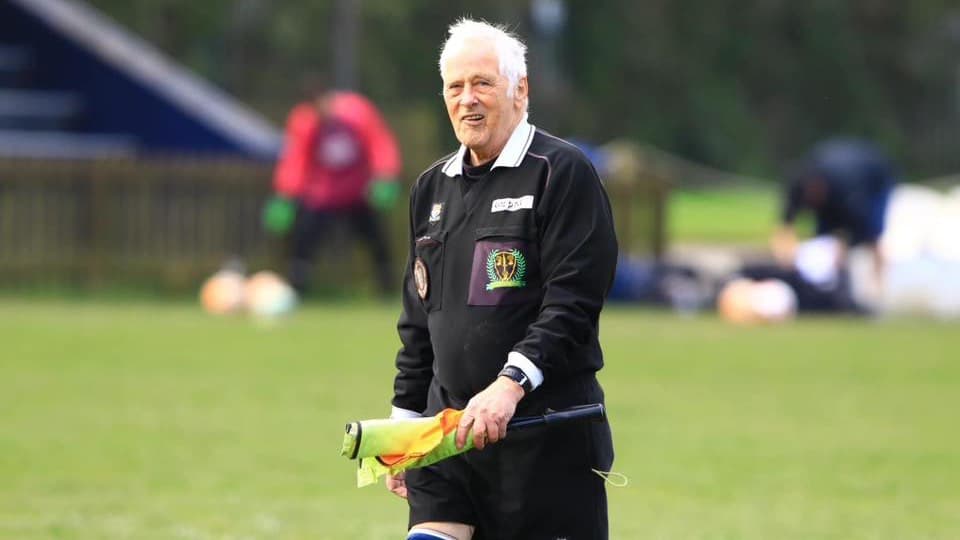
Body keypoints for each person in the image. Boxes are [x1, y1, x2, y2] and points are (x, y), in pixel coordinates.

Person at [386, 19, 618, 540]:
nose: (468, 99)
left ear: (521, 90)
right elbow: (418, 323)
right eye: (455, 86)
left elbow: (572, 306)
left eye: (483, 83)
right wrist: (403, 425)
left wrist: (509, 387)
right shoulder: (430, 189)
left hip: (546, 438)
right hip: (446, 441)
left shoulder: (562, 172)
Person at [267, 80, 402, 296]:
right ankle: (296, 290)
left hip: (358, 192)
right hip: (322, 196)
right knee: (303, 240)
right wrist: (285, 195)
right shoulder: (305, 121)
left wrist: (385, 175)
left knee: (377, 240)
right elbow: (296, 161)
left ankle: (388, 288)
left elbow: (379, 143)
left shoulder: (357, 112)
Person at [757, 137, 897, 312]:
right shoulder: (797, 186)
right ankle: (828, 289)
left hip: (875, 180)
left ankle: (878, 291)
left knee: (873, 235)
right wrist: (787, 260)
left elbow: (856, 234)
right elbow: (785, 227)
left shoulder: (848, 191)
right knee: (823, 240)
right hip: (839, 184)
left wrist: (841, 250)